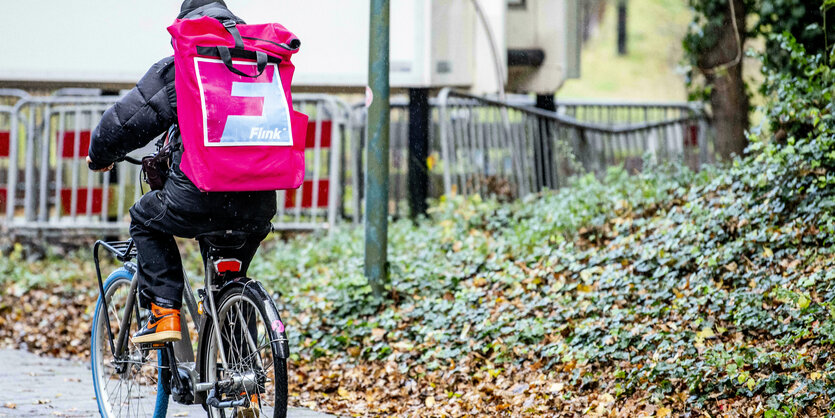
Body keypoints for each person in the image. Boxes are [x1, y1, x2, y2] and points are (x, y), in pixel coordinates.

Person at [87, 0, 276, 344]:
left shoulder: (185, 67)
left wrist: (99, 155)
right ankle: (243, 377)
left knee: (145, 218)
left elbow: (125, 122)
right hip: (257, 202)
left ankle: (163, 311)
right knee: (228, 283)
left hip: (198, 196)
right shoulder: (259, 64)